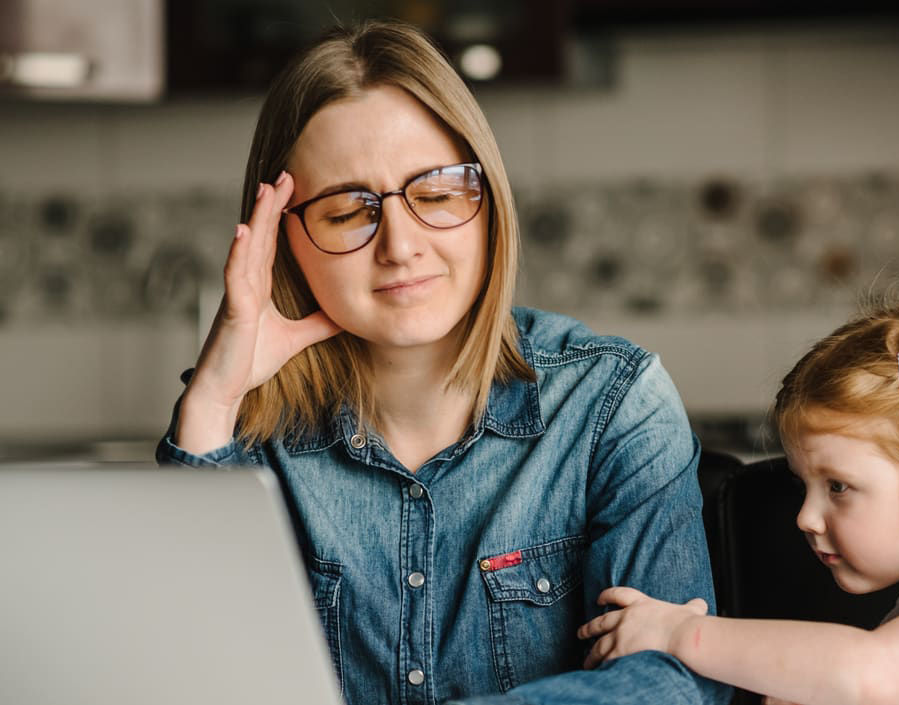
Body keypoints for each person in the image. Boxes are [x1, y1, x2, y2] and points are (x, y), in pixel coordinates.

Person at [156, 20, 729, 705]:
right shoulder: (244, 434)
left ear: (487, 202)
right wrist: (212, 401)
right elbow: (191, 675)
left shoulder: (615, 401)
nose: (399, 245)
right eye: (346, 212)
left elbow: (674, 685)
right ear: (285, 242)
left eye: (435, 193)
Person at [578, 297, 899, 705]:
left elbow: (867, 675)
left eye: (838, 487)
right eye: (804, 485)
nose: (805, 517)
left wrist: (682, 635)